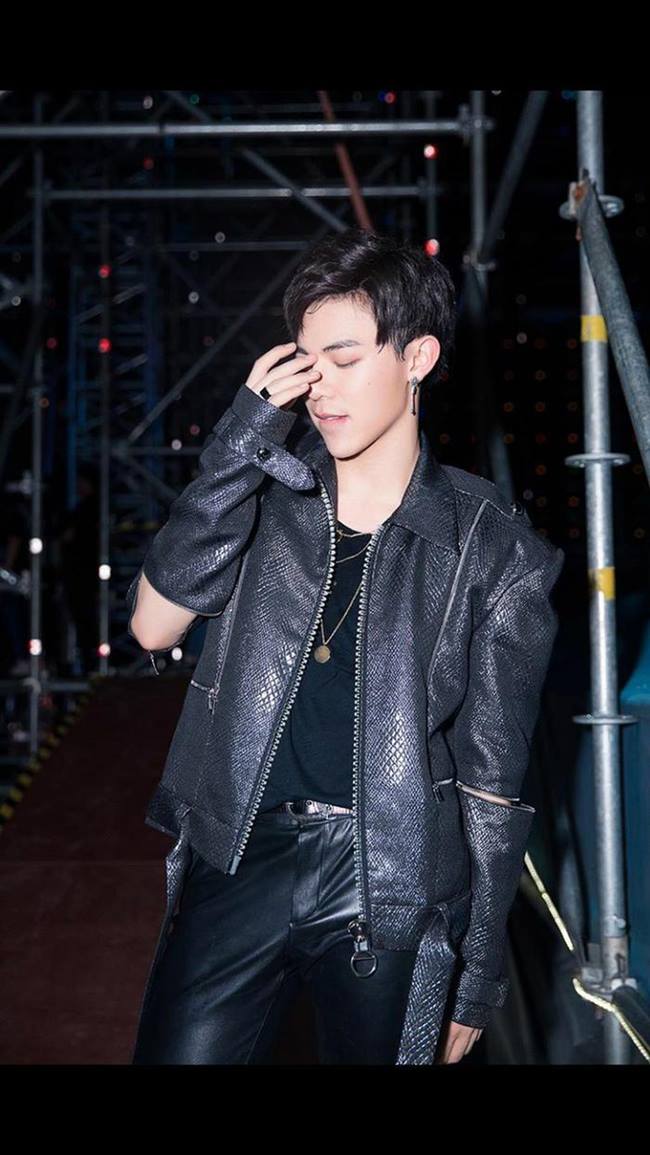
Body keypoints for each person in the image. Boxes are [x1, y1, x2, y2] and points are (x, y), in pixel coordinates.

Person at [126, 226, 564, 1065]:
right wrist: (240, 441)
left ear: (418, 358)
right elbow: (154, 625)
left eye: (346, 357)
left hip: (392, 882)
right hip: (239, 853)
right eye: (308, 359)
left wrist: (476, 974)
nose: (320, 385)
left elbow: (493, 786)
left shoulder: (497, 549)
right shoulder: (260, 490)